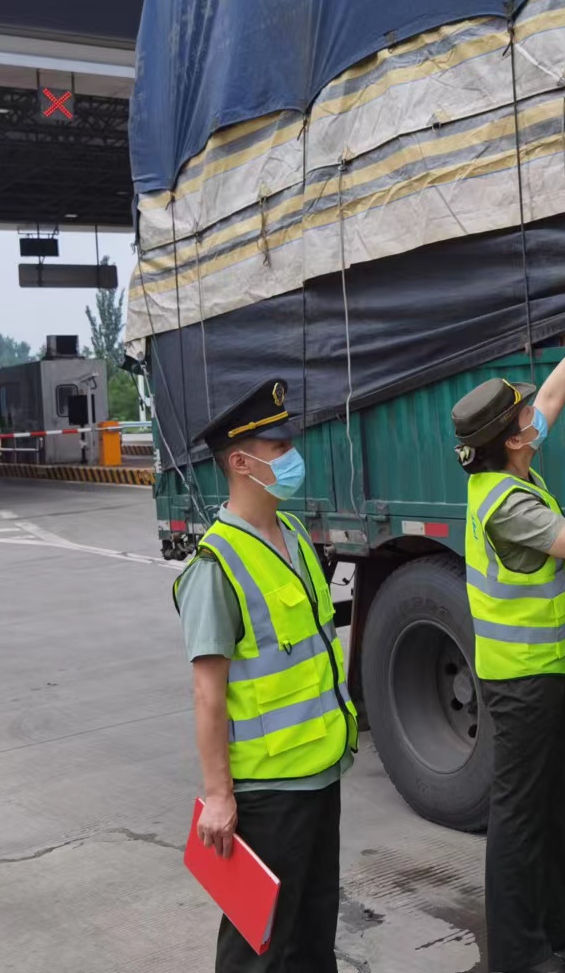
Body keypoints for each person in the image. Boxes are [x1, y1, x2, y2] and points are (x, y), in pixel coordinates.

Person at [450, 309, 565, 973]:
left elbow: (550, 396)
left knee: (548, 805)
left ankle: (556, 921)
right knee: (520, 816)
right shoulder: (509, 505)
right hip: (520, 678)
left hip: (544, 668)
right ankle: (518, 955)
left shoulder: (510, 469)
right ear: (511, 441)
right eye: (524, 419)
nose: (536, 419)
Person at [173, 378, 357, 973]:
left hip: (318, 769)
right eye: (279, 451)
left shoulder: (295, 535)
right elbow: (208, 694)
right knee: (261, 944)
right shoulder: (215, 563)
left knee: (311, 931)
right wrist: (218, 795)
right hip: (268, 789)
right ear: (240, 462)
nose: (292, 458)